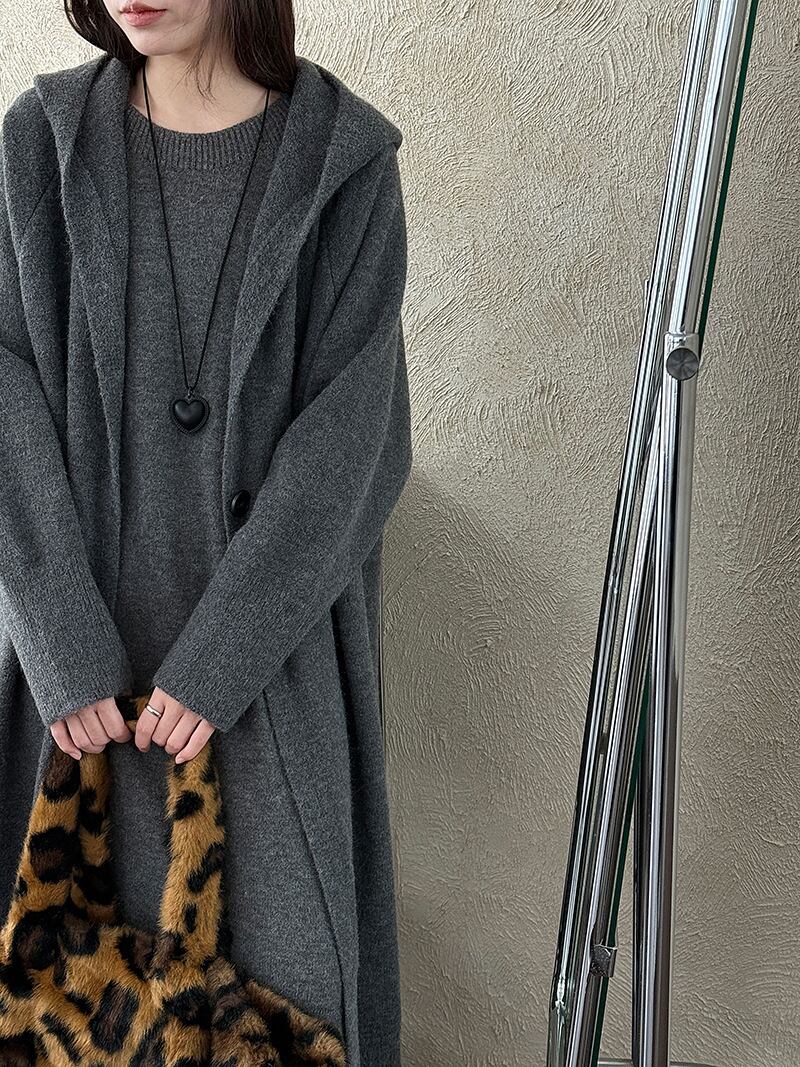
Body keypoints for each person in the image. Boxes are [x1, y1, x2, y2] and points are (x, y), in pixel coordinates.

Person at [0, 0, 412, 1062]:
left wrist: (223, 656)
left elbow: (355, 438)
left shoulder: (343, 167)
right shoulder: (40, 146)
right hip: (69, 705)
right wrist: (60, 638)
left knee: (286, 1009)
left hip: (269, 688)